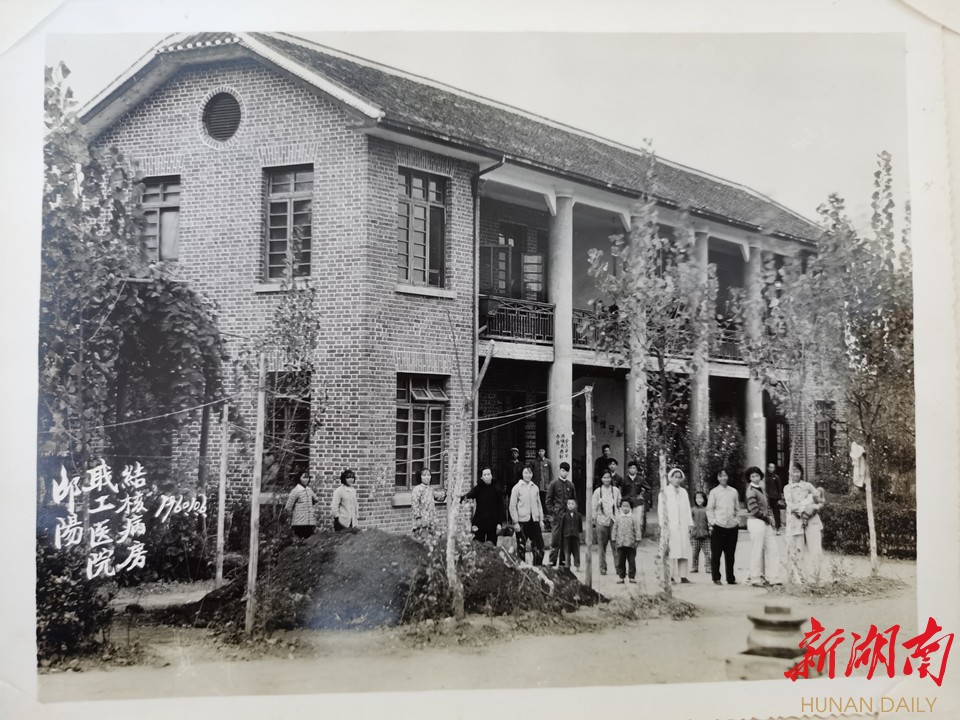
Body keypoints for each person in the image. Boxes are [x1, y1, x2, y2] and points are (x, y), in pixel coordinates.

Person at [783, 463, 825, 583]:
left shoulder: (807, 485)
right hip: (796, 520)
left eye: (798, 471)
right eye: (793, 472)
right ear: (790, 473)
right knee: (798, 550)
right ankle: (800, 578)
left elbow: (820, 500)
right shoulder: (787, 488)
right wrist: (803, 509)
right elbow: (790, 505)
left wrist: (814, 507)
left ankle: (815, 577)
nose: (796, 474)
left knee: (816, 550)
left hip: (812, 519)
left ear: (801, 473)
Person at [744, 466, 781, 586]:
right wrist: (767, 518)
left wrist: (769, 516)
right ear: (749, 478)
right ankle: (755, 578)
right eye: (752, 476)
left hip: (765, 523)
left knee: (773, 550)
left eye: (757, 476)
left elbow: (767, 506)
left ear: (760, 476)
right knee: (757, 551)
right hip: (756, 522)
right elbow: (754, 510)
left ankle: (774, 577)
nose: (755, 478)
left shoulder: (761, 488)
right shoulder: (751, 491)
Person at [707, 469, 741, 585]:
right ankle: (716, 578)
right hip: (719, 525)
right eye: (720, 476)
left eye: (725, 475)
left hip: (732, 526)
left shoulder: (733, 491)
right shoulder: (714, 492)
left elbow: (737, 508)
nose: (723, 478)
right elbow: (709, 509)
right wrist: (713, 521)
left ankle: (730, 578)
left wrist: (737, 520)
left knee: (730, 554)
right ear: (717, 478)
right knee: (716, 554)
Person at [659, 468, 693, 583]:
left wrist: (689, 524)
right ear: (670, 478)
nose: (677, 479)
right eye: (675, 477)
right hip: (670, 526)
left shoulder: (684, 492)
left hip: (682, 525)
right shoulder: (664, 491)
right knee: (671, 551)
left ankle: (683, 576)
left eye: (679, 477)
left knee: (683, 551)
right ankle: (670, 576)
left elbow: (687, 509)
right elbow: (661, 510)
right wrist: (663, 526)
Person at [509, 462, 545, 565]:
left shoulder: (535, 487)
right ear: (522, 474)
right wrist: (515, 522)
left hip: (534, 521)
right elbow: (512, 506)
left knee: (539, 547)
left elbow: (539, 504)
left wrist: (541, 520)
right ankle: (522, 568)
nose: (528, 475)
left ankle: (537, 568)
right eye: (526, 473)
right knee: (521, 547)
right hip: (522, 522)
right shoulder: (517, 488)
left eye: (530, 473)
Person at [460, 466, 503, 544]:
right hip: (479, 522)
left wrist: (499, 523)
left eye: (488, 474)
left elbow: (501, 507)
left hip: (493, 522)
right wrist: (460, 498)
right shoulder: (478, 488)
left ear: (491, 476)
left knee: (491, 546)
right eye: (484, 475)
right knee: (477, 545)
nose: (487, 476)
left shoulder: (497, 488)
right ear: (481, 477)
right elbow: (469, 495)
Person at [545, 461, 577, 566]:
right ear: (560, 470)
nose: (565, 473)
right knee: (555, 539)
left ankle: (563, 561)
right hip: (557, 517)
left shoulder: (570, 485)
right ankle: (552, 560)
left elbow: (574, 501)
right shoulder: (553, 484)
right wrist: (553, 511)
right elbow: (548, 501)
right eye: (563, 471)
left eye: (567, 471)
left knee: (566, 540)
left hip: (567, 517)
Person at [591, 470, 621, 575]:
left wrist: (619, 518)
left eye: (608, 477)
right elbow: (593, 507)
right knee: (601, 547)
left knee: (616, 546)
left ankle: (619, 568)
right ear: (601, 479)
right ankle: (602, 568)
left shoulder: (616, 490)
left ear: (611, 478)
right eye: (604, 478)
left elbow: (619, 504)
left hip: (614, 520)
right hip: (601, 521)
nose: (606, 479)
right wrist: (594, 520)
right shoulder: (597, 491)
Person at [612, 498, 643, 583]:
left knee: (631, 561)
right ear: (620, 507)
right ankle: (621, 577)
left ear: (630, 507)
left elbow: (637, 529)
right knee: (621, 561)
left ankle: (631, 577)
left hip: (631, 544)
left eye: (627, 506)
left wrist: (637, 540)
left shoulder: (633, 518)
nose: (625, 508)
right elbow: (614, 528)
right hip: (620, 543)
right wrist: (613, 538)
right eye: (623, 506)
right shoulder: (618, 518)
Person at [283, 471, 318, 541]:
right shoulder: (295, 491)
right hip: (299, 523)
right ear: (299, 478)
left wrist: (312, 509)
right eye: (303, 478)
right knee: (300, 541)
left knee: (308, 542)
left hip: (310, 522)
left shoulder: (309, 490)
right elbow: (288, 507)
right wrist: (290, 518)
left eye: (307, 478)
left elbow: (315, 500)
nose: (306, 480)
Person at [558, 498, 583, 570]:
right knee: (567, 552)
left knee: (576, 551)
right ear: (566, 505)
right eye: (569, 504)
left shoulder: (578, 516)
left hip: (575, 536)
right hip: (567, 536)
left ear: (575, 505)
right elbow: (562, 527)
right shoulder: (564, 516)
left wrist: (579, 535)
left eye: (572, 504)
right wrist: (562, 537)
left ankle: (577, 565)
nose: (570, 505)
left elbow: (580, 527)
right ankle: (567, 565)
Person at [690, 491, 711, 574]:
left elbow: (710, 521)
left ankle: (708, 567)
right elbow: (689, 521)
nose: (699, 500)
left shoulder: (707, 510)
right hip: (695, 535)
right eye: (697, 498)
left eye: (700, 498)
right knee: (694, 553)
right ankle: (694, 567)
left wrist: (710, 530)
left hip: (706, 535)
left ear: (704, 499)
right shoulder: (692, 510)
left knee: (707, 553)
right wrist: (690, 531)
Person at [411, 467, 436, 536]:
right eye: (424, 475)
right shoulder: (417, 489)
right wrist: (418, 518)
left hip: (430, 520)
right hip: (422, 520)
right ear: (420, 477)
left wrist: (447, 492)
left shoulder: (431, 489)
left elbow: (439, 496)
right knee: (421, 537)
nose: (427, 477)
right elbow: (414, 504)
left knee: (431, 538)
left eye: (428, 475)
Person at [765, 462, 784, 533]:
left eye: (772, 467)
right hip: (768, 497)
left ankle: (778, 527)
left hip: (775, 498)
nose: (770, 469)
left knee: (776, 513)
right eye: (769, 467)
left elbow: (779, 488)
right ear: (767, 468)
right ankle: (769, 526)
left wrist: (779, 498)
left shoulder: (776, 477)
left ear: (774, 468)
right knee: (768, 512)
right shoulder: (765, 477)